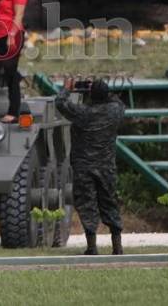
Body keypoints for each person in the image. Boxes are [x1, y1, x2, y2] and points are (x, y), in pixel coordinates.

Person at [55, 79, 126, 255]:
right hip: (106, 167)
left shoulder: (82, 113)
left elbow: (60, 103)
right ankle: (117, 246)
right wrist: (102, 92)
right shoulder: (115, 111)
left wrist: (67, 88)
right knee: (109, 202)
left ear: (91, 95)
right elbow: (118, 101)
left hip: (83, 168)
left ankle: (92, 246)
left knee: (87, 204)